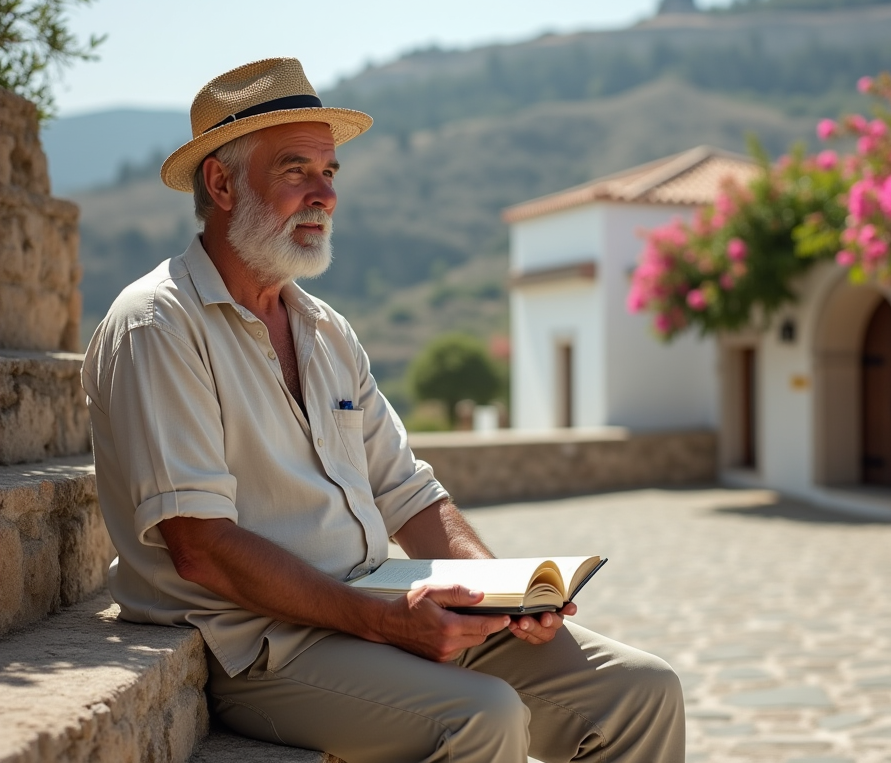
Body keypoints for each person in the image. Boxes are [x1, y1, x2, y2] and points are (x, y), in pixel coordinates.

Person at [82, 58, 684, 763]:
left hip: (374, 613)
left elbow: (409, 492)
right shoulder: (158, 324)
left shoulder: (327, 332)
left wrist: (505, 596)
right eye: (295, 170)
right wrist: (381, 622)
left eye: (330, 173)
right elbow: (200, 546)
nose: (323, 195)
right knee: (480, 715)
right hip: (262, 646)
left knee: (643, 690)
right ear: (220, 183)